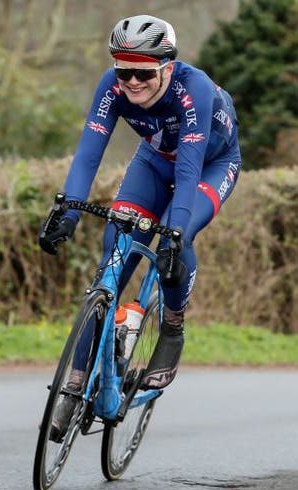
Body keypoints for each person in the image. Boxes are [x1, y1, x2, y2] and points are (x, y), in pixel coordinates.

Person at [39, 14, 241, 437]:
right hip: (152, 163)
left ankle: (172, 326)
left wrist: (173, 234)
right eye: (123, 70)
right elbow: (88, 155)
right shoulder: (111, 86)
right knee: (111, 267)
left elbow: (187, 174)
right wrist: (69, 212)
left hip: (207, 166)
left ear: (168, 66)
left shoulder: (195, 90)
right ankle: (74, 385)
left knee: (175, 234)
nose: (131, 82)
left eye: (143, 72)